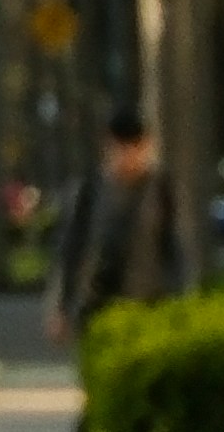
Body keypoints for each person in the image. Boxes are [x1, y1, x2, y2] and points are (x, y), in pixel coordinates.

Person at [47, 112, 187, 339]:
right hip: (97, 304)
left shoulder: (160, 187)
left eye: (135, 147)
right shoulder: (92, 189)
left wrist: (178, 296)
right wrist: (63, 307)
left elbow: (171, 246)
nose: (128, 155)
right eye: (121, 148)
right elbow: (72, 248)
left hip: (148, 303)